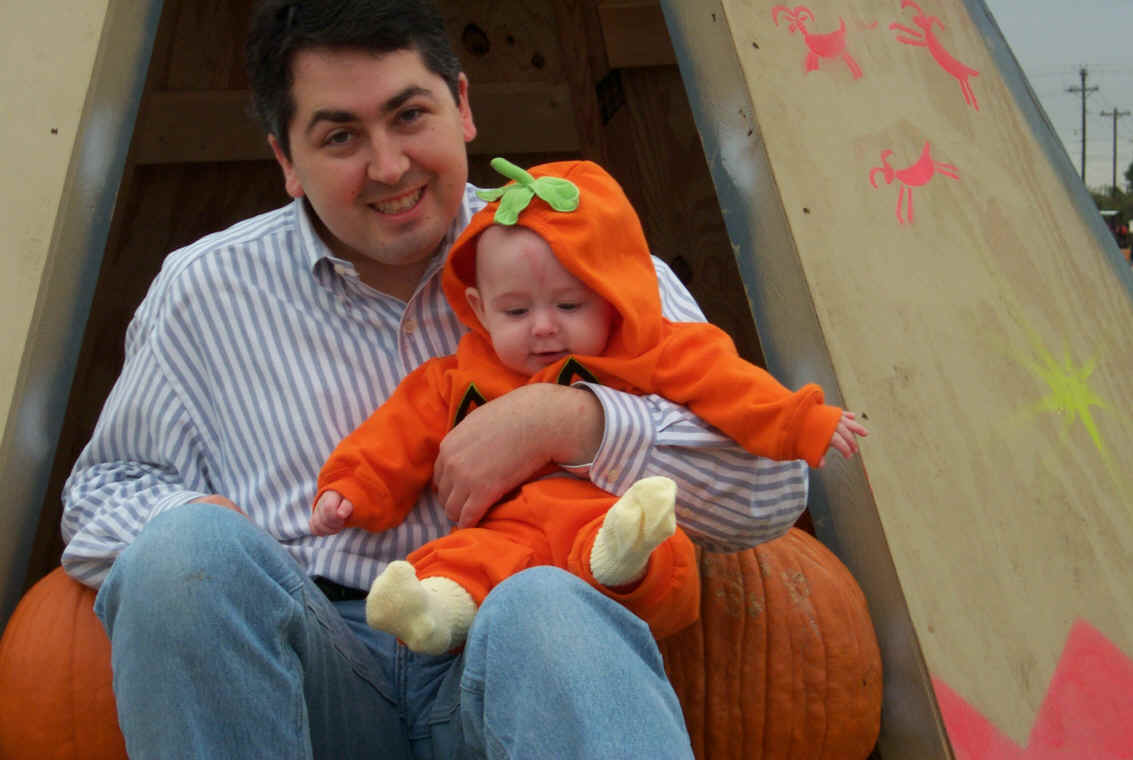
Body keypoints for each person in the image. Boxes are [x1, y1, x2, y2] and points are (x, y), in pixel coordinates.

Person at [59, 0, 818, 756]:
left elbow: (771, 492)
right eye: (340, 136)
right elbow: (104, 491)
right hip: (310, 674)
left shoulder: (585, 261)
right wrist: (209, 534)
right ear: (286, 160)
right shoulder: (203, 290)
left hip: (520, 659)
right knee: (183, 548)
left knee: (548, 605)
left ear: (461, 106)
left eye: (409, 115)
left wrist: (576, 424)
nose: (389, 166)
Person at [312, 158, 866, 655]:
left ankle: (622, 565)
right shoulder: (456, 378)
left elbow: (734, 388)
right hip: (507, 532)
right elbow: (396, 435)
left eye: (569, 304)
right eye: (515, 312)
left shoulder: (649, 352)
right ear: (479, 309)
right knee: (464, 559)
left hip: (605, 512)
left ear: (611, 296)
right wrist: (352, 487)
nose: (543, 326)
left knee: (657, 543)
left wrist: (802, 421)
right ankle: (436, 610)